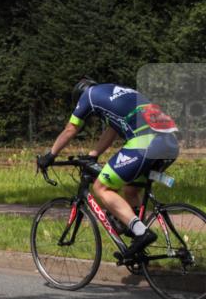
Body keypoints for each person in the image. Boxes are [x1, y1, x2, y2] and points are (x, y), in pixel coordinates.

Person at [37, 78, 180, 260]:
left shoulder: (88, 96)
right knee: (130, 189)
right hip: (170, 141)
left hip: (146, 142)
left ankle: (141, 232)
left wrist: (50, 155)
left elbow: (71, 129)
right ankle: (137, 241)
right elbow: (111, 132)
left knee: (101, 188)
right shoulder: (116, 91)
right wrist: (92, 155)